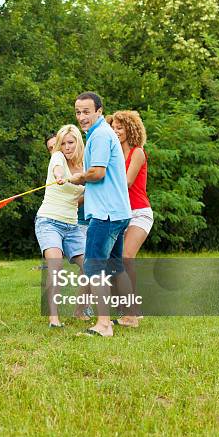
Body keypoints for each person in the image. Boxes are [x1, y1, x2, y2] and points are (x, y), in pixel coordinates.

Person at [69, 92, 133, 337]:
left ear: (99, 111)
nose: (82, 117)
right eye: (78, 112)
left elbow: (97, 173)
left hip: (106, 215)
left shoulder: (99, 135)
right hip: (117, 212)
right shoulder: (100, 134)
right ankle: (130, 316)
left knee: (94, 267)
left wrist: (78, 177)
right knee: (116, 267)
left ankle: (104, 324)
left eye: (86, 112)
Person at [35, 125, 86, 327]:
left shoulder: (85, 165)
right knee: (55, 266)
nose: (66, 147)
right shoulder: (57, 158)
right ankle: (54, 318)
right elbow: (57, 170)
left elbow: (78, 199)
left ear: (78, 143)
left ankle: (80, 310)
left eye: (70, 142)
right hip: (48, 221)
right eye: (63, 143)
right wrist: (58, 177)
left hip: (72, 225)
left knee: (89, 266)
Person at [111, 110, 152, 327]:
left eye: (120, 127)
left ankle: (130, 315)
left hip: (139, 212)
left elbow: (126, 183)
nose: (116, 131)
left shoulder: (137, 153)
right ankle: (133, 308)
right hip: (121, 214)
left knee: (126, 256)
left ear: (130, 129)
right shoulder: (113, 154)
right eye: (113, 128)